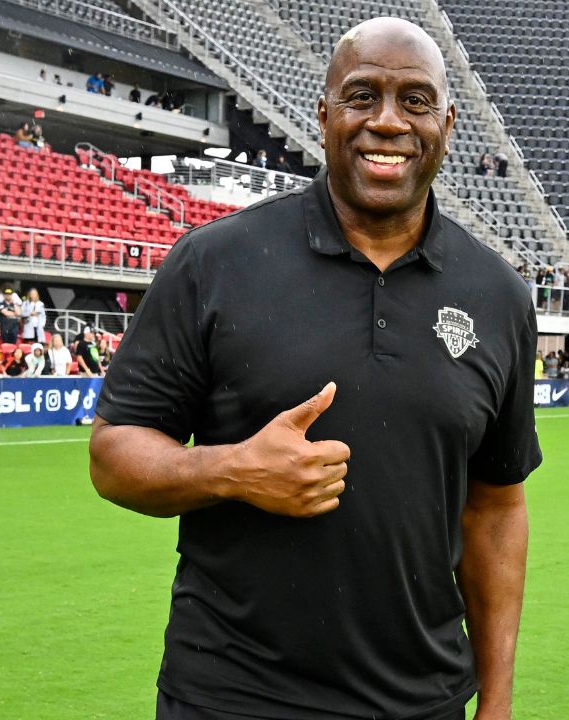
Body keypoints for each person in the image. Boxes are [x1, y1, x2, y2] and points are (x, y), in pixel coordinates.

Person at [89, 18, 539, 720]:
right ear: (324, 114)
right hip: (232, 699)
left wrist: (499, 702)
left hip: (423, 702)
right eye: (362, 96)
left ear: (449, 122)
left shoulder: (499, 297)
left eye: (416, 101)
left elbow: (496, 510)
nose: (387, 122)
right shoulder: (215, 262)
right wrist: (233, 469)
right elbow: (113, 456)